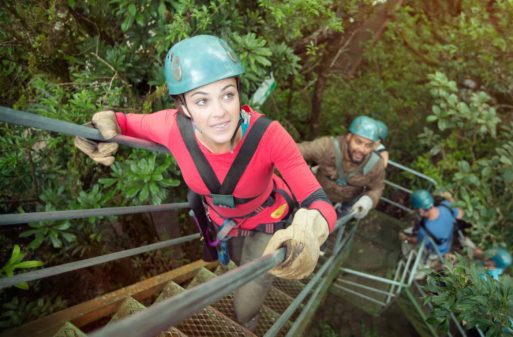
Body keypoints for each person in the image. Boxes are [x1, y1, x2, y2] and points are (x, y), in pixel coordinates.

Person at [74, 35, 336, 330]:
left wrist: (311, 230)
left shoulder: (269, 136)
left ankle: (247, 326)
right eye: (202, 100)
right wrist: (93, 131)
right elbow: (121, 121)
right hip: (224, 224)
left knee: (245, 302)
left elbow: (317, 199)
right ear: (183, 107)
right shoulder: (172, 128)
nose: (220, 112)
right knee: (234, 266)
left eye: (227, 95)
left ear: (239, 93)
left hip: (267, 224)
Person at [297, 115, 386, 221]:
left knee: (342, 220)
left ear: (374, 146)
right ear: (348, 137)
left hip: (346, 203)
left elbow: (377, 187)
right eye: (358, 142)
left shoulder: (376, 164)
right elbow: (296, 151)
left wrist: (368, 200)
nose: (362, 149)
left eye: (368, 145)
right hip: (316, 193)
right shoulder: (327, 147)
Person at [399, 189, 464, 257]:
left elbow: (415, 240)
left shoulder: (425, 230)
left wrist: (405, 238)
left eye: (416, 209)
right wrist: (450, 198)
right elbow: (460, 213)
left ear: (421, 210)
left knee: (406, 245)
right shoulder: (446, 206)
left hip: (437, 251)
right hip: (448, 241)